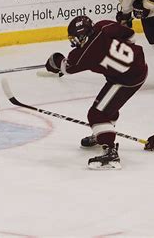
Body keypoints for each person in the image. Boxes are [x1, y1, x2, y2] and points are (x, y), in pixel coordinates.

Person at [45, 15, 148, 169]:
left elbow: (67, 68)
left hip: (126, 80)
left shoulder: (84, 53)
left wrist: (55, 61)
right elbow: (130, 35)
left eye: (75, 38)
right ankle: (103, 133)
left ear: (83, 35)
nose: (73, 42)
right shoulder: (104, 26)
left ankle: (110, 152)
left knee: (97, 114)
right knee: (107, 106)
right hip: (137, 67)